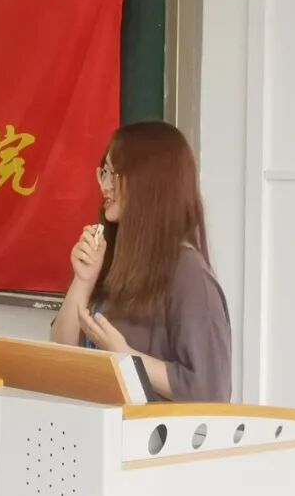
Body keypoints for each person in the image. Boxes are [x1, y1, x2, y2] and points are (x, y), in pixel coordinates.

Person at [49, 121, 232, 402]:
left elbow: (209, 389)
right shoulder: (110, 258)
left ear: (149, 182)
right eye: (103, 172)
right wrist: (83, 281)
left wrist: (126, 358)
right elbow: (61, 352)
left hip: (147, 430)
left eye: (113, 174)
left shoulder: (188, 273)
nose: (104, 185)